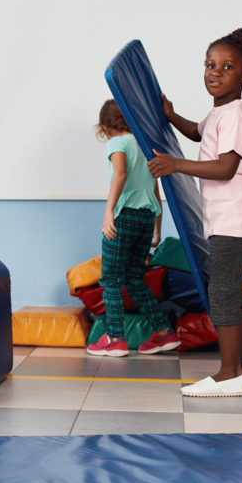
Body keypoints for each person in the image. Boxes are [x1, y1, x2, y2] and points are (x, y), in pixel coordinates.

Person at [148, 28, 242, 397]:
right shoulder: (220, 112)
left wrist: (176, 166)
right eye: (209, 64)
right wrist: (171, 116)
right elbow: (196, 133)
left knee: (220, 295)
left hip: (235, 220)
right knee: (232, 295)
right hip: (229, 219)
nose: (215, 72)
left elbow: (225, 168)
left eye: (227, 66)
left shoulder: (235, 117)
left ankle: (227, 375)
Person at [86, 100, 181, 357]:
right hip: (146, 219)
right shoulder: (144, 144)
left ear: (106, 127)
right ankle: (164, 332)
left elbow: (120, 174)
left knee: (111, 279)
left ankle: (115, 338)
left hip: (124, 218)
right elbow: (154, 189)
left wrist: (109, 212)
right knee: (134, 279)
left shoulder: (118, 142)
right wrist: (157, 229)